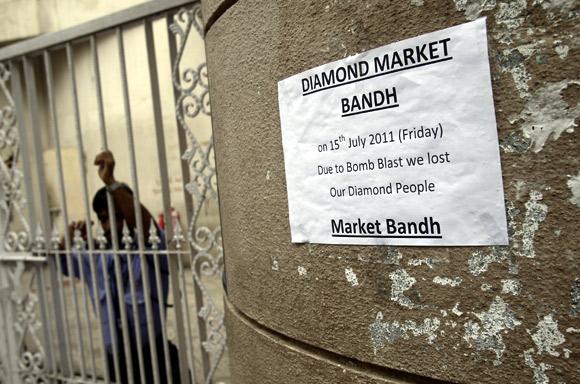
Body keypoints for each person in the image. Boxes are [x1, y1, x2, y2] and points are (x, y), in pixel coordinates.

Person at [61, 150, 181, 384]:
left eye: (118, 216)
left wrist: (112, 184)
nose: (110, 225)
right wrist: (69, 238)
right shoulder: (96, 258)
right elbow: (64, 263)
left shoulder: (149, 252)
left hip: (153, 357)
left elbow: (151, 232)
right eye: (104, 219)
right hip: (115, 361)